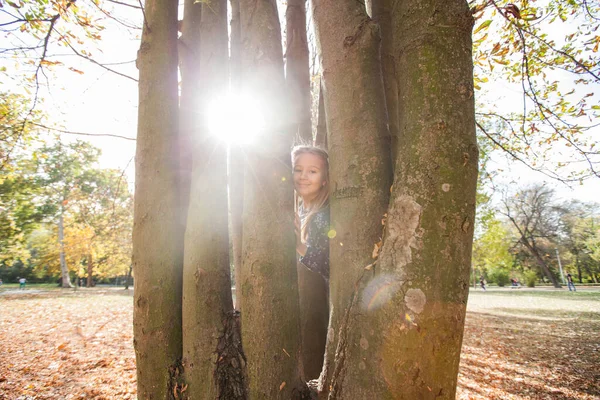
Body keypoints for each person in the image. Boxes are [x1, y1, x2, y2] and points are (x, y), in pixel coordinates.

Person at [292, 145, 330, 283]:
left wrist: (299, 246)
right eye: (298, 170)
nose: (303, 176)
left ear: (324, 179)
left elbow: (332, 266)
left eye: (312, 171)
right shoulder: (300, 209)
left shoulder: (325, 214)